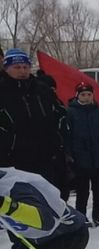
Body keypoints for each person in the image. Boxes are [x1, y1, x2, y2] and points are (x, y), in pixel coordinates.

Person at [0, 49, 69, 190]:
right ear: (6, 68)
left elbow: (59, 113)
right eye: (17, 67)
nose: (22, 71)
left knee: (49, 201)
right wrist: (12, 143)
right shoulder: (3, 91)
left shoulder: (41, 89)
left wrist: (58, 140)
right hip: (13, 162)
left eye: (25, 67)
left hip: (46, 157)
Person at [65, 82, 99, 226]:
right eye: (83, 95)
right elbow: (67, 136)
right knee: (82, 190)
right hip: (81, 159)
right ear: (77, 96)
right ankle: (81, 216)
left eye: (89, 94)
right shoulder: (71, 113)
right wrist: (69, 155)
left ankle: (98, 214)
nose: (86, 98)